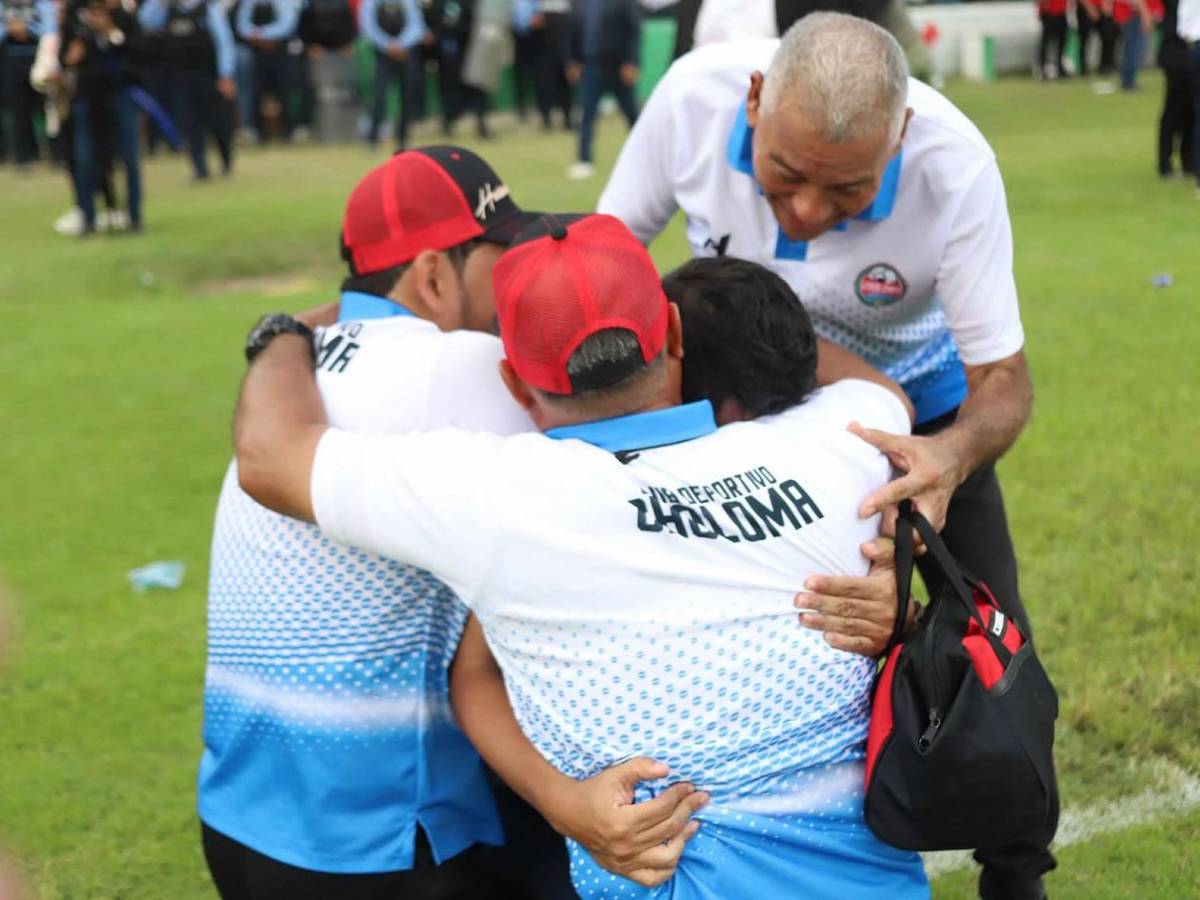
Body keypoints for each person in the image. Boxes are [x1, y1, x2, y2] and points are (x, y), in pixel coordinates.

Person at [231, 212, 928, 900]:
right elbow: (880, 390)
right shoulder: (833, 444)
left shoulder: (494, 500)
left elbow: (269, 458)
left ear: (513, 382)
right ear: (673, 336)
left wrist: (282, 332)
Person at [596, 13, 1054, 899]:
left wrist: (950, 457)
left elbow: (1003, 378)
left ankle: (1017, 872)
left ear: (899, 138)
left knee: (995, 656)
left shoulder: (955, 166)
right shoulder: (691, 99)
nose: (806, 210)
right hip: (739, 417)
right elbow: (605, 262)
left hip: (917, 428)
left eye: (845, 190)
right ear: (756, 101)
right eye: (785, 173)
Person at [201, 146, 728, 900]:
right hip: (378, 843)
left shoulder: (297, 370)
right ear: (434, 275)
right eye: (497, 254)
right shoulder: (465, 366)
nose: (516, 277)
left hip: (237, 821)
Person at [61, 0, 146, 235]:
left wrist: (112, 34)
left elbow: (141, 53)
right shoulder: (75, 17)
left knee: (129, 158)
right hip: (87, 97)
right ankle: (88, 219)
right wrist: (70, 57)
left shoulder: (125, 18)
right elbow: (64, 57)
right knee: (84, 159)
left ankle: (135, 218)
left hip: (120, 94)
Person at [139, 0, 236, 180]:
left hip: (207, 75)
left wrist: (226, 74)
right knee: (189, 122)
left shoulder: (209, 9)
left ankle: (226, 160)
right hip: (179, 75)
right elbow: (145, 21)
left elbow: (224, 42)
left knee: (217, 120)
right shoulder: (168, 8)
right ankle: (199, 167)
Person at [565, 0, 640, 181]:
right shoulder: (580, 4)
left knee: (632, 115)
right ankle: (584, 160)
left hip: (618, 65)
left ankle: (646, 156)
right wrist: (572, 60)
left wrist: (631, 61)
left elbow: (633, 30)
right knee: (586, 115)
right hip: (591, 65)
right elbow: (573, 31)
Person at [360, 0, 425, 149]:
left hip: (405, 54)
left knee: (407, 97)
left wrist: (401, 45)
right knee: (379, 97)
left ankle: (402, 138)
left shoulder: (408, 3)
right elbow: (368, 27)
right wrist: (388, 45)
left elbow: (416, 26)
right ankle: (373, 138)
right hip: (382, 56)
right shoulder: (371, 3)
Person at [1, 0, 55, 168]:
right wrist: (10, 29)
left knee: (47, 109)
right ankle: (24, 157)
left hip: (40, 60)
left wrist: (26, 28)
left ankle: (57, 155)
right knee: (20, 111)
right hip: (11, 62)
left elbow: (50, 31)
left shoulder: (42, 5)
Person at [234, 0, 298, 141]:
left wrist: (265, 35)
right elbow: (242, 23)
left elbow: (288, 23)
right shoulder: (249, 3)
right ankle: (258, 131)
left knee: (283, 89)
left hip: (279, 49)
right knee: (257, 90)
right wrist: (258, 37)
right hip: (257, 50)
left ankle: (288, 130)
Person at [1158, 0, 1195, 177]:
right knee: (1173, 110)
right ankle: (1164, 161)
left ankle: (1188, 159)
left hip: (1191, 51)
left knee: (1192, 110)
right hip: (1175, 53)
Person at [1114, 0, 1158, 89]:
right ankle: (1128, 82)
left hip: (1128, 15)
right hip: (1132, 16)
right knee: (1133, 51)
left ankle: (1127, 80)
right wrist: (1146, 16)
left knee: (1130, 50)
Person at [1037, 0, 1069, 78]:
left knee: (1062, 42)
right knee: (1045, 43)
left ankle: (1060, 68)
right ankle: (1042, 69)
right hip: (1048, 12)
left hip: (1061, 11)